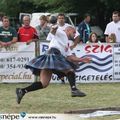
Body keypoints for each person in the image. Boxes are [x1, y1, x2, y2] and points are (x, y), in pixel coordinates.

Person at [16, 26, 91, 104]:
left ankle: (22, 91)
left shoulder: (67, 43)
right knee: (70, 70)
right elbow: (53, 31)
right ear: (68, 30)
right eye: (74, 32)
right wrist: (54, 27)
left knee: (44, 83)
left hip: (51, 56)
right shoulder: (62, 33)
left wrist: (82, 59)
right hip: (53, 54)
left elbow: (70, 57)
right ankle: (74, 90)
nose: (75, 34)